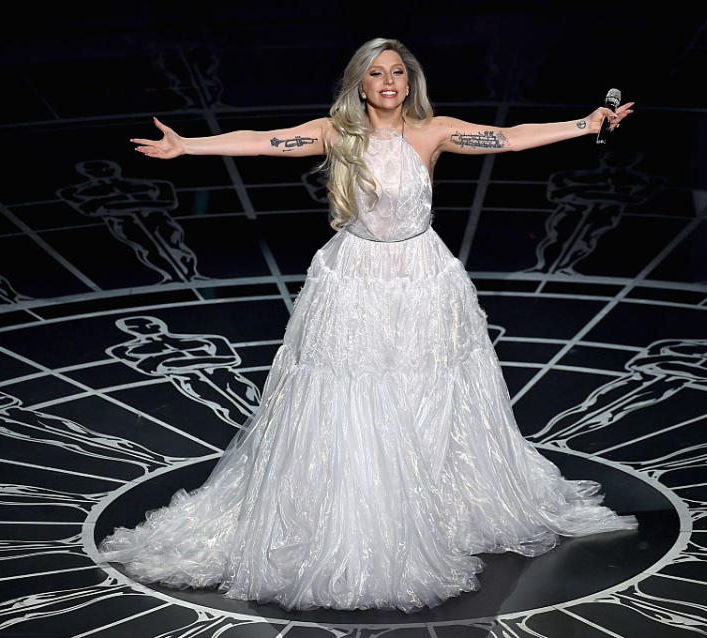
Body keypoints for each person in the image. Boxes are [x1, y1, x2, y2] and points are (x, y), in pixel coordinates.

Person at [98, 37, 638, 613]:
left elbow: (505, 138)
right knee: (345, 391)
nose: (388, 82)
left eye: (398, 73)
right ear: (361, 83)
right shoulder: (336, 132)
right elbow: (262, 142)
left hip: (424, 279)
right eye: (377, 73)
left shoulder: (433, 131)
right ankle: (355, 509)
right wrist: (188, 148)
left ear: (410, 82)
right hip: (351, 280)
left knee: (431, 389)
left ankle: (430, 504)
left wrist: (587, 123)